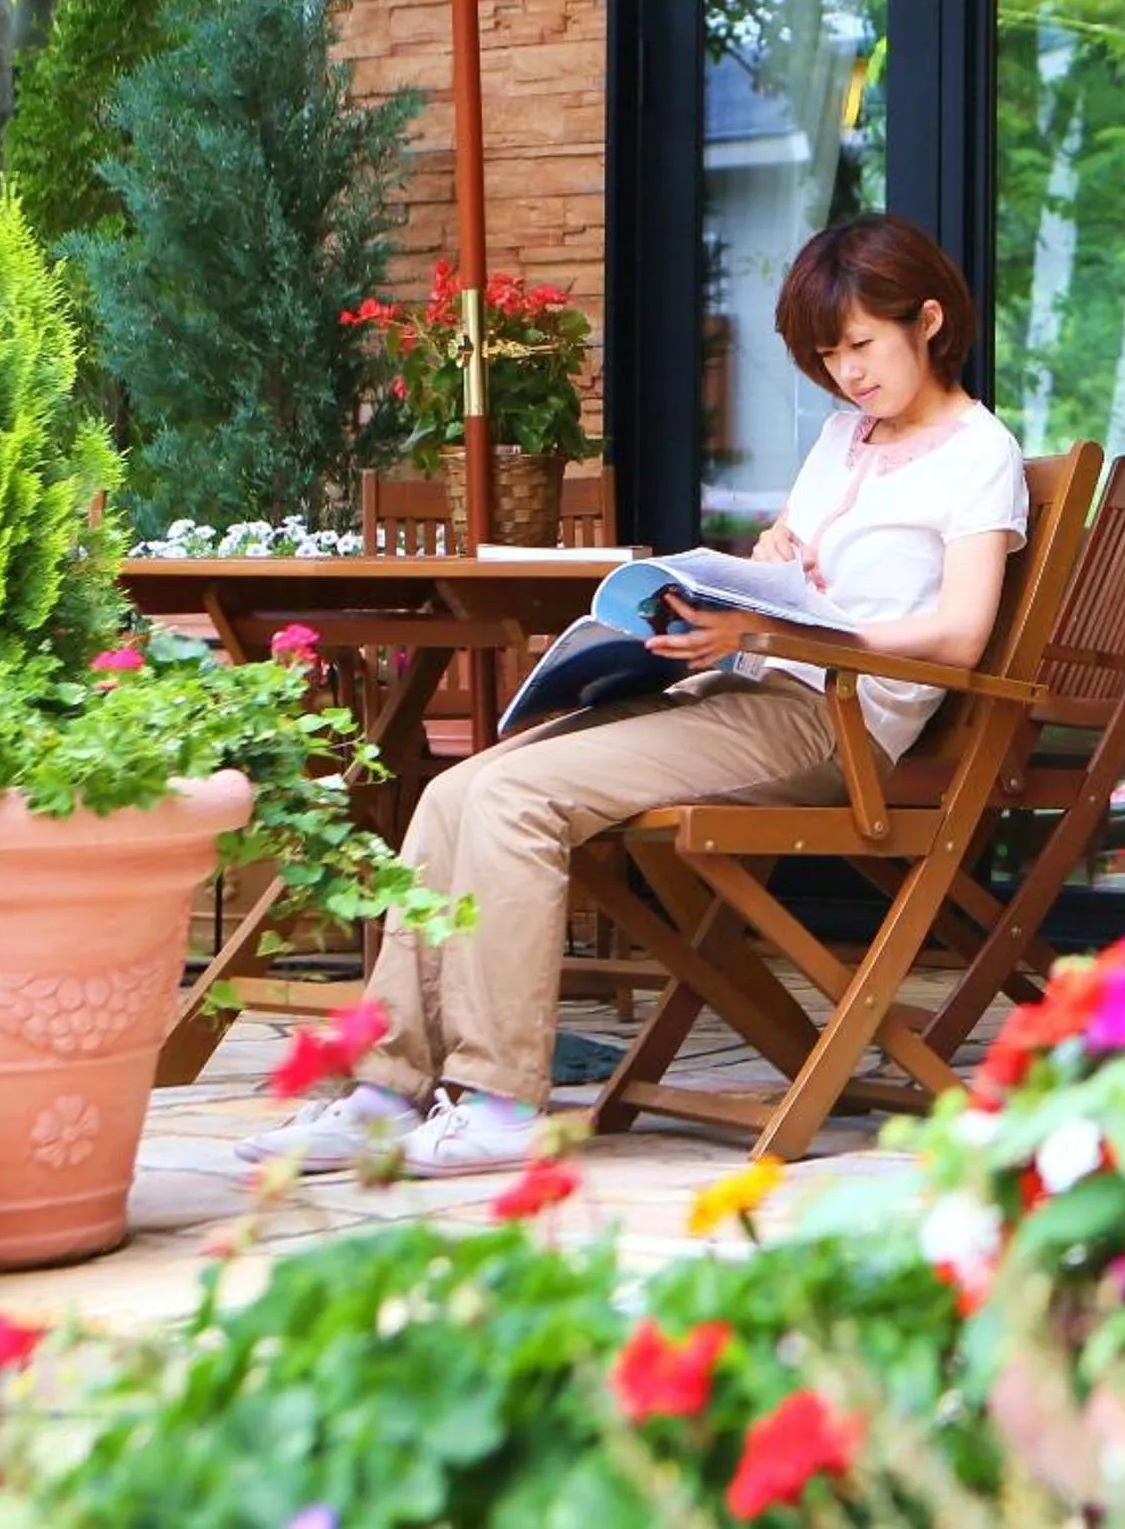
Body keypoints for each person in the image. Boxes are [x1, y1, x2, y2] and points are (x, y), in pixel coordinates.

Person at [242, 214, 1028, 1177]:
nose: (847, 374)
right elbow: (797, 555)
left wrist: (781, 632)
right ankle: (379, 1091)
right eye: (827, 356)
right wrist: (763, 567)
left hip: (832, 725)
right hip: (741, 686)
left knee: (516, 799)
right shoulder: (843, 438)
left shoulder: (978, 451)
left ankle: (496, 1099)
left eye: (861, 346)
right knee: (456, 789)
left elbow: (960, 634)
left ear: (929, 322)